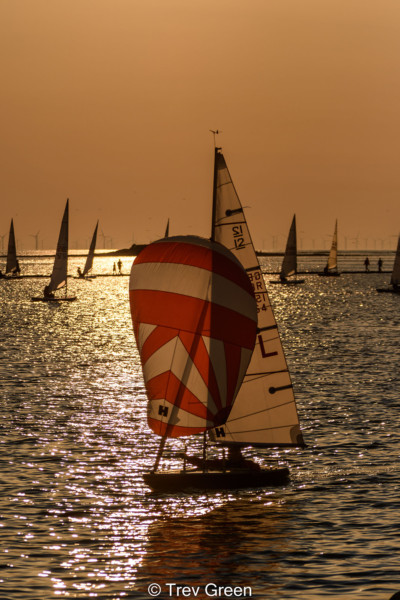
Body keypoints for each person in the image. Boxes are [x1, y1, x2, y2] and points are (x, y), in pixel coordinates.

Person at [177, 446, 261, 471]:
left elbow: (257, 468)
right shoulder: (224, 463)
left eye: (233, 453)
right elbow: (205, 463)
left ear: (239, 454)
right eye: (229, 453)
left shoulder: (247, 464)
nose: (230, 455)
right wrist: (187, 458)